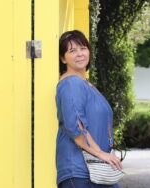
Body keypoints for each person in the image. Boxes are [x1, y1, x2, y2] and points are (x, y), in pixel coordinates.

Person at [56, 30, 123, 188]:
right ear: (62, 58)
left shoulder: (85, 84)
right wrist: (101, 153)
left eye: (83, 48)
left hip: (98, 169)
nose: (79, 54)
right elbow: (75, 125)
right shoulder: (70, 83)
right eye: (72, 50)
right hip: (79, 171)